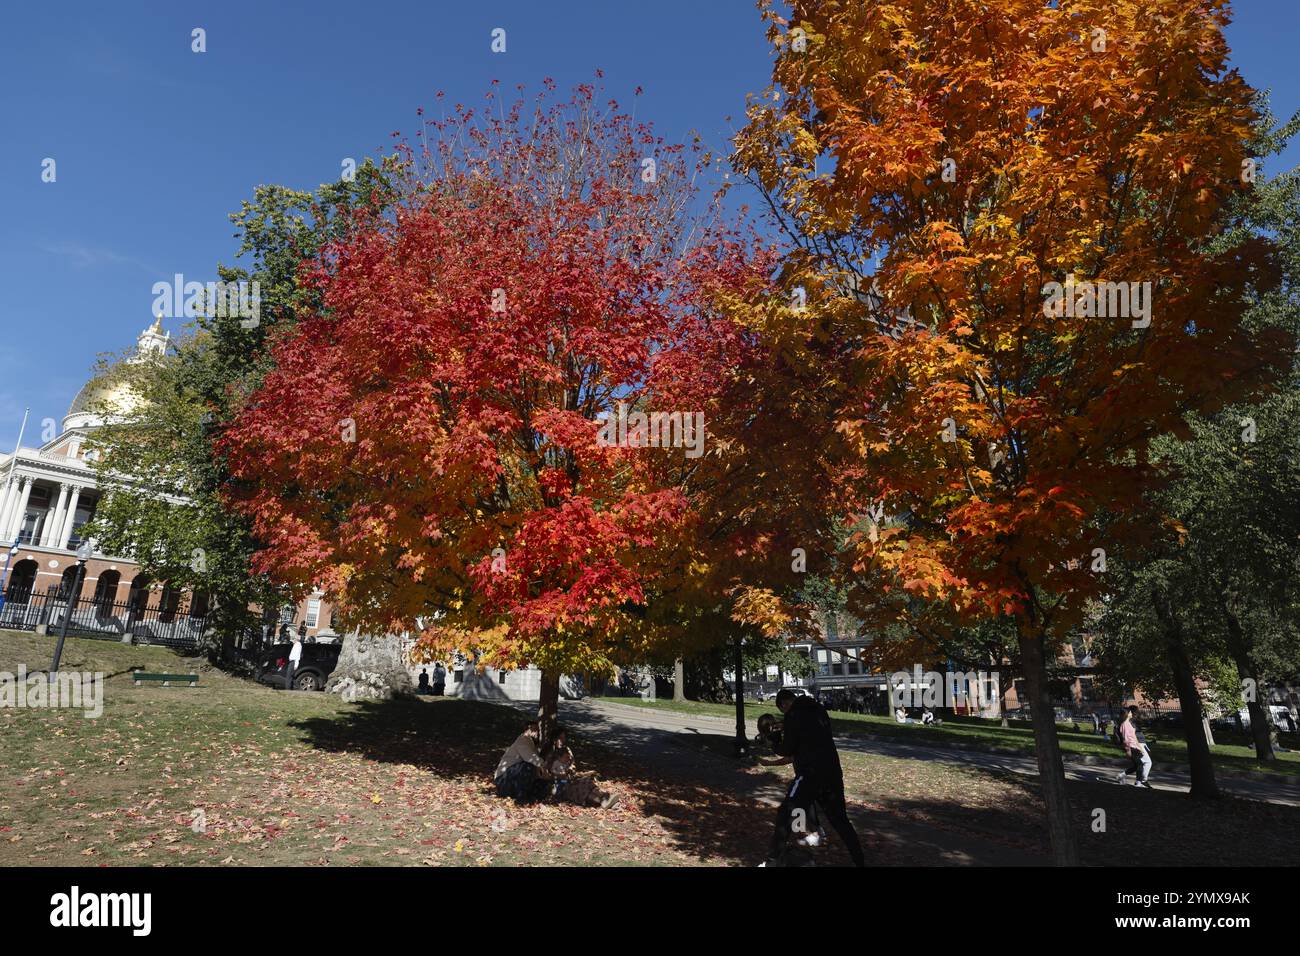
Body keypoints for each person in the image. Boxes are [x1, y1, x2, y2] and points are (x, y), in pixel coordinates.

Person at [759, 688, 865, 867]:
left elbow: (788, 749)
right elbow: (811, 733)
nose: (785, 714)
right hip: (832, 772)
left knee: (786, 812)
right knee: (840, 820)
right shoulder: (818, 709)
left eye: (783, 710)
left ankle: (772, 860)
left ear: (784, 704)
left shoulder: (793, 715)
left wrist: (774, 742)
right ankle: (859, 860)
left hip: (809, 774)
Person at [541, 728, 619, 809]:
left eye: (564, 738)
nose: (562, 740)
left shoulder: (566, 749)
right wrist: (558, 775)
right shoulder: (550, 752)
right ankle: (602, 801)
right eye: (560, 738)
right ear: (554, 738)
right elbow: (546, 772)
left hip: (570, 777)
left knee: (586, 781)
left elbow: (573, 763)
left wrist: (571, 769)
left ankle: (604, 798)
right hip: (559, 783)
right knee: (579, 788)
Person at [494, 720, 549, 803]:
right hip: (503, 780)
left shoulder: (531, 743)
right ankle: (521, 798)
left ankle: (531, 796)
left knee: (539, 778)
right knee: (527, 766)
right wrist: (543, 766)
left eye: (538, 730)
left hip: (512, 779)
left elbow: (536, 762)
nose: (537, 732)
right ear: (527, 729)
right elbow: (530, 758)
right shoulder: (522, 740)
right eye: (535, 729)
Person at [1115, 706, 1153, 788]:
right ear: (1127, 714)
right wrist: (1128, 750)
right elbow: (1125, 739)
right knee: (1140, 764)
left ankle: (1121, 776)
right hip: (1131, 747)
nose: (1131, 713)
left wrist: (1139, 747)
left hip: (1135, 747)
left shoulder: (1128, 723)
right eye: (1130, 712)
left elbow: (1134, 736)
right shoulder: (1124, 725)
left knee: (1137, 765)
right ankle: (1139, 782)